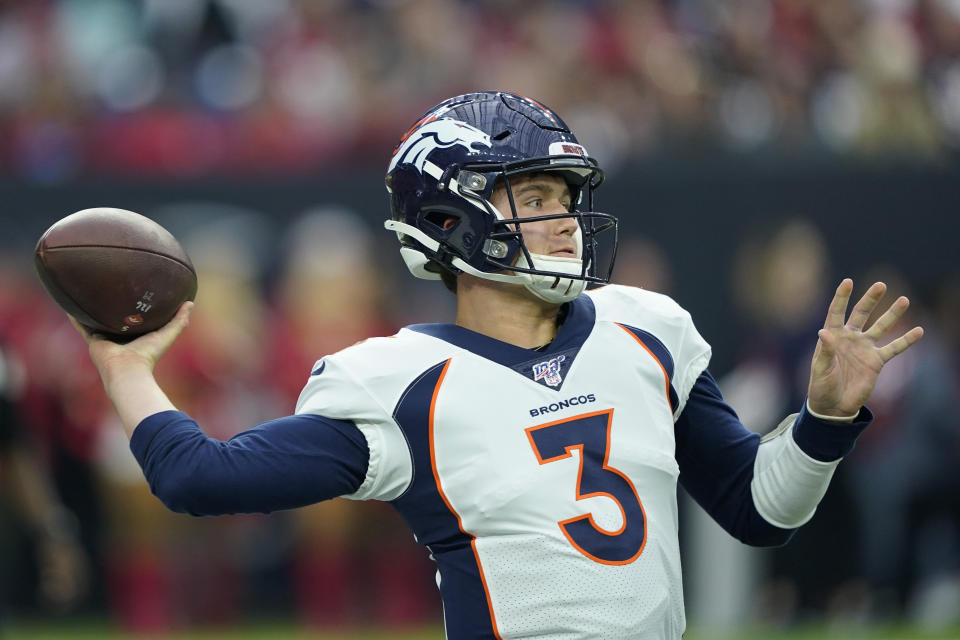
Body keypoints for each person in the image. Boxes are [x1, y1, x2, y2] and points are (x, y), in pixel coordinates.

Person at [67, 92, 923, 639]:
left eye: (566, 198)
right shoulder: (399, 383)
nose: (563, 220)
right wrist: (127, 372)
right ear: (449, 219)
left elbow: (757, 510)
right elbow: (199, 480)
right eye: (535, 198)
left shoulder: (646, 328)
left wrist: (824, 422)